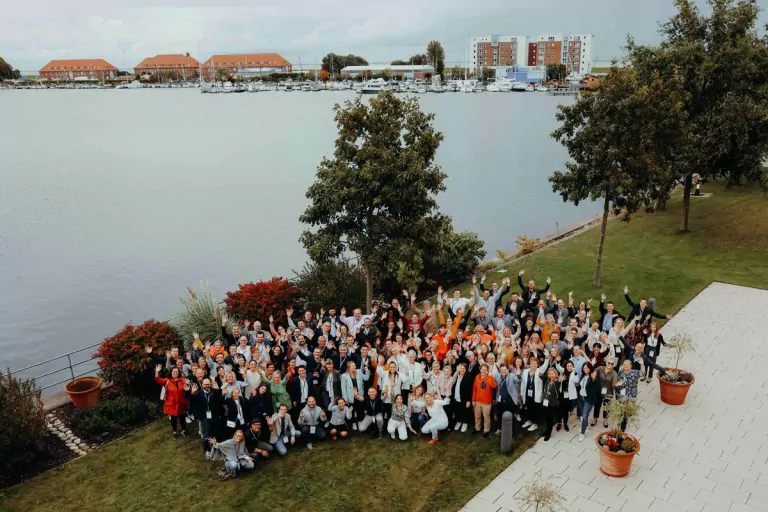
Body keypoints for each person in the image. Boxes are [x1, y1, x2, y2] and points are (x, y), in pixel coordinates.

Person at [154, 364, 189, 438]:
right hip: (171, 404)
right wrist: (157, 372)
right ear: (171, 372)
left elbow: (188, 388)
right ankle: (175, 431)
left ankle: (184, 430)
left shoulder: (182, 380)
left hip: (181, 403)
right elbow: (158, 380)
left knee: (182, 417)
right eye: (174, 372)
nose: (175, 373)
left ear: (178, 373)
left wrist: (187, 388)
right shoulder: (167, 381)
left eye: (176, 372)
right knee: (173, 419)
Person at [191, 378, 223, 456]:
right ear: (202, 385)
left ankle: (216, 448)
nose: (207, 386)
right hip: (204, 417)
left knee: (216, 432)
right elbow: (193, 404)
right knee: (206, 434)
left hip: (214, 416)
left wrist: (218, 390)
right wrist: (192, 393)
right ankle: (207, 450)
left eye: (208, 384)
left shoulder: (214, 392)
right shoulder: (198, 394)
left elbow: (219, 402)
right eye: (205, 384)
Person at [494, 364, 521, 435]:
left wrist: (518, 375)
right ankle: (500, 429)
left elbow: (518, 380)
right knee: (500, 416)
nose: (503, 371)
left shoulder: (512, 375)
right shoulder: (497, 376)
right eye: (502, 370)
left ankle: (512, 431)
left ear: (508, 370)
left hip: (509, 401)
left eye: (505, 370)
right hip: (500, 401)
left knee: (511, 417)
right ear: (500, 370)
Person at [472, 364, 497, 437]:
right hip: (478, 401)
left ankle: (486, 430)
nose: (483, 371)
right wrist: (473, 400)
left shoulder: (490, 378)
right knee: (477, 416)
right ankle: (477, 428)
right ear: (480, 370)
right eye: (482, 369)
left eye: (485, 370)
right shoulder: (477, 377)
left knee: (486, 417)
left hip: (487, 402)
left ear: (487, 371)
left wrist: (490, 377)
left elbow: (494, 386)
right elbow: (474, 389)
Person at [577, 363, 600, 441]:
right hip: (581, 398)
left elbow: (595, 388)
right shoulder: (582, 376)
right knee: (584, 414)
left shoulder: (594, 377)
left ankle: (582, 433)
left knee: (584, 415)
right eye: (584, 368)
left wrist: (593, 379)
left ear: (590, 368)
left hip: (588, 399)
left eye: (587, 368)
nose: (585, 369)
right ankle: (586, 427)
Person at [450, 363, 473, 432]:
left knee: (465, 411)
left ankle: (465, 423)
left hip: (464, 398)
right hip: (456, 397)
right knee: (458, 410)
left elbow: (470, 390)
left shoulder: (468, 377)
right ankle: (459, 422)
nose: (462, 370)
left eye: (464, 368)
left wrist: (468, 400)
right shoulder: (456, 376)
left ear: (466, 370)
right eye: (461, 368)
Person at [540, 367, 560, 441]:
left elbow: (558, 383)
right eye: (549, 374)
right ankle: (546, 430)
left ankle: (549, 432)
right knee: (546, 418)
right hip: (545, 402)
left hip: (552, 403)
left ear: (555, 374)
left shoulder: (556, 382)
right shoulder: (548, 381)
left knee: (550, 419)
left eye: (552, 374)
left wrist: (559, 380)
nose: (551, 375)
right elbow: (545, 390)